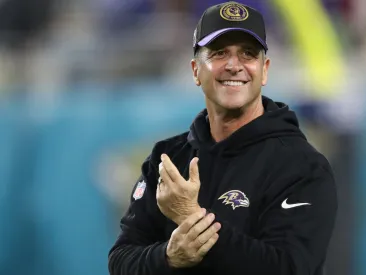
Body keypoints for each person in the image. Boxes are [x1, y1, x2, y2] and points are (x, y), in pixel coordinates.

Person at [108, 2, 337, 274]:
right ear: (195, 70)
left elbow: (290, 268)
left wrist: (192, 218)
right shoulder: (166, 158)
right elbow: (121, 260)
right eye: (219, 53)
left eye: (248, 54)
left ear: (264, 70)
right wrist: (168, 257)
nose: (233, 65)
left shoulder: (302, 166)